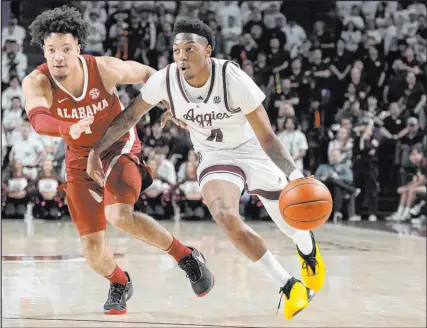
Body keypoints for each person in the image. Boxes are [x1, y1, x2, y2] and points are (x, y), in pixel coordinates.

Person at [87, 19, 326, 320]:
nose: (181, 56)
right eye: (176, 50)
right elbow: (128, 117)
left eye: (190, 48)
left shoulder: (231, 77)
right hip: (215, 156)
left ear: (208, 50)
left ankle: (307, 251)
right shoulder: (165, 80)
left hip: (253, 150)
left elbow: (267, 136)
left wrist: (295, 176)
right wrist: (96, 151)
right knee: (225, 215)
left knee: (291, 220)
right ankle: (289, 286)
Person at [22, 7, 214, 315]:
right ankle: (120, 282)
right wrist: (65, 128)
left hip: (119, 147)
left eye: (65, 49)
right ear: (43, 49)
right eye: (51, 50)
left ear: (78, 48)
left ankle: (186, 257)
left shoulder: (104, 69)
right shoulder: (37, 81)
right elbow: (38, 118)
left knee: (119, 214)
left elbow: (150, 75)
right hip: (78, 161)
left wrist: (172, 104)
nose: (58, 57)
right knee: (93, 251)